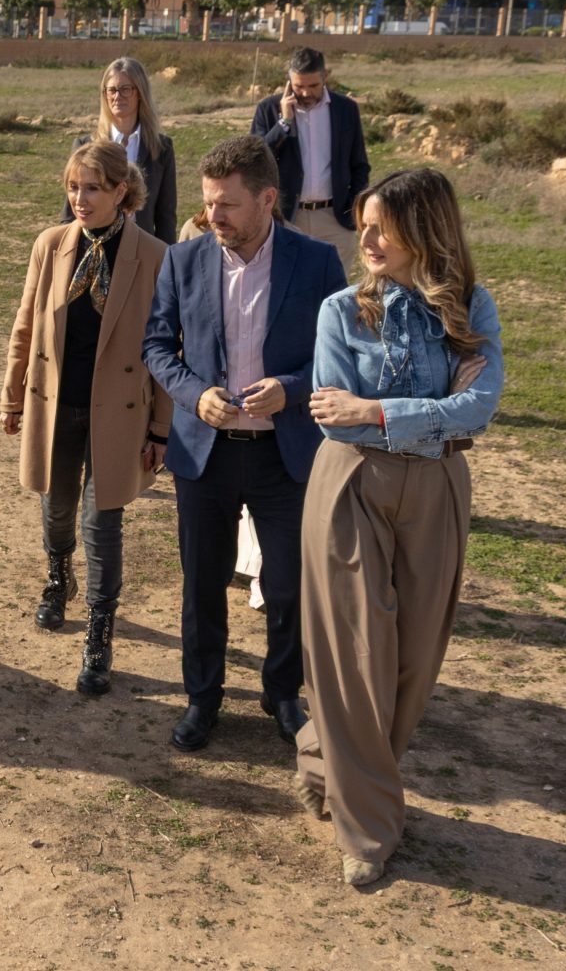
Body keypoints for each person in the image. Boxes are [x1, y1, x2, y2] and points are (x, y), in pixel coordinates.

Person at [296, 167, 502, 887]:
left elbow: (480, 410)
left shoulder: (473, 309)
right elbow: (330, 410)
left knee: (415, 657)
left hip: (440, 485)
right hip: (350, 480)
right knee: (358, 656)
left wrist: (380, 410)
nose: (368, 238)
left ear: (426, 230)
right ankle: (370, 831)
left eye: (384, 225)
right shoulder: (337, 311)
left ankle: (323, 752)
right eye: (365, 222)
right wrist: (434, 401)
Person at [143, 136, 346, 751]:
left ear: (266, 198)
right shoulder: (184, 260)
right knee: (202, 585)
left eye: (227, 204)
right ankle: (202, 698)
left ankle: (282, 692)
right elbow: (156, 345)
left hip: (284, 454)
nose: (214, 217)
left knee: (288, 584)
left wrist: (290, 388)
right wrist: (192, 392)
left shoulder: (317, 264)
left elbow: (340, 362)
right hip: (205, 452)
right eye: (208, 204)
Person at [4, 141, 171, 697]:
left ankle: (100, 632)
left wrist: (160, 429)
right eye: (73, 186)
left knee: (103, 523)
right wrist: (12, 398)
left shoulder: (154, 255)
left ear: (122, 192)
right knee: (56, 506)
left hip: (120, 414)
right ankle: (58, 578)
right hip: (55, 403)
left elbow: (170, 348)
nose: (79, 198)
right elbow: (24, 326)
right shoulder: (51, 245)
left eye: (93, 188)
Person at [251, 47, 370, 272]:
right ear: (289, 81)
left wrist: (353, 210)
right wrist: (283, 123)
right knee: (289, 292)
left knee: (333, 295)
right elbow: (254, 161)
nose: (305, 93)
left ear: (326, 76)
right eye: (298, 86)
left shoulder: (346, 109)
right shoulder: (268, 109)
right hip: (287, 218)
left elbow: (359, 165)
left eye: (313, 86)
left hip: (335, 219)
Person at [64, 56, 179, 244]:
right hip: (95, 248)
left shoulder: (162, 148)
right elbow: (69, 215)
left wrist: (166, 264)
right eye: (112, 90)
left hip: (142, 253)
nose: (118, 96)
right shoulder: (85, 147)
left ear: (140, 92)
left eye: (126, 89)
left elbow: (166, 217)